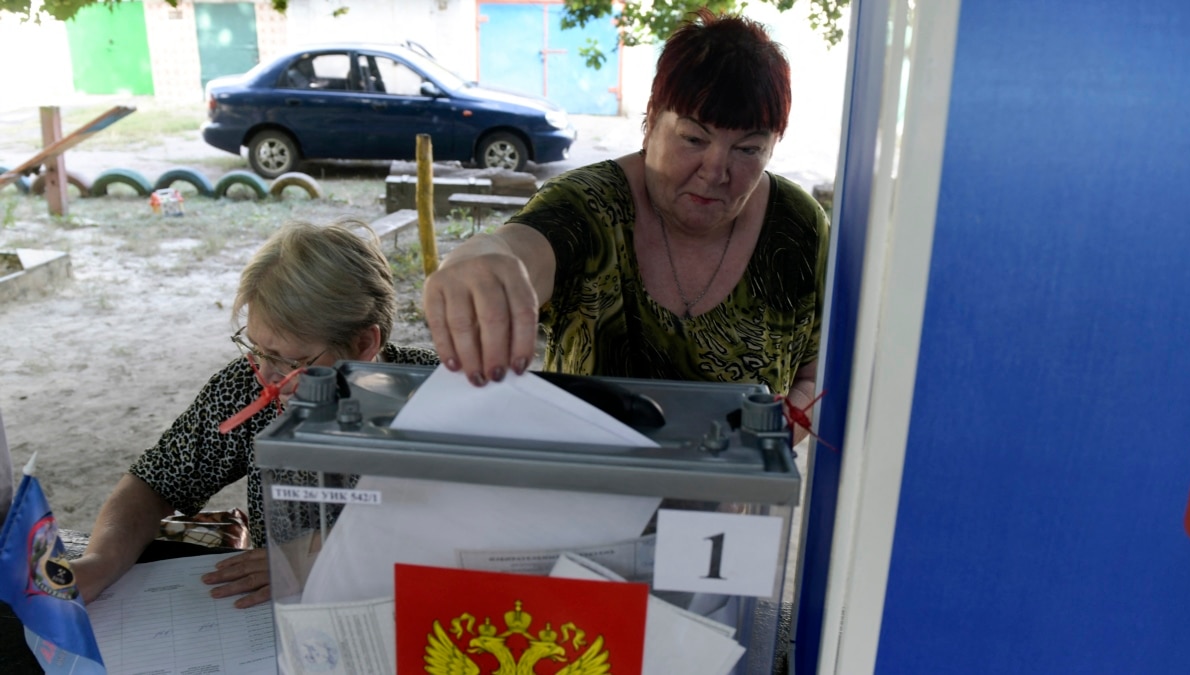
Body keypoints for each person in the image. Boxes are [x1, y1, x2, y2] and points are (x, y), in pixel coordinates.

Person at [422, 9, 829, 437]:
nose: (715, 171)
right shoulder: (589, 204)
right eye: (694, 139)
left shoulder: (798, 228)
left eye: (747, 150)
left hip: (733, 498)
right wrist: (481, 257)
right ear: (652, 120)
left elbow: (819, 372)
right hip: (591, 492)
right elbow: (524, 248)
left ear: (773, 147)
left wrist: (779, 434)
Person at [72, 218, 439, 608]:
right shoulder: (248, 387)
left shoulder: (436, 394)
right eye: (257, 348)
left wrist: (321, 557)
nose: (265, 374)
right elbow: (155, 483)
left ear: (365, 342)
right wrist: (99, 562)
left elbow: (461, 527)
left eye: (289, 359)